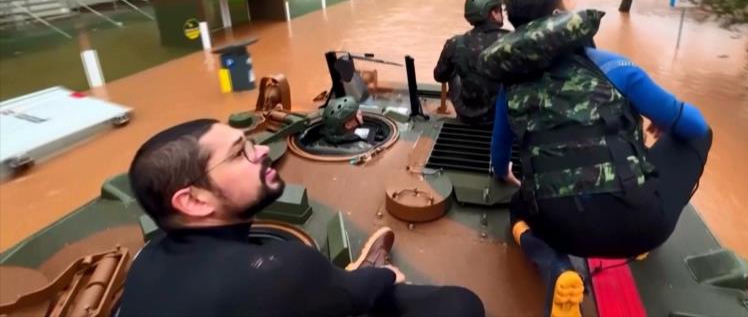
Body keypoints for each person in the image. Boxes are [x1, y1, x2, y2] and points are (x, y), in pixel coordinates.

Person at [480, 0, 712, 317]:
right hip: (640, 227)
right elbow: (695, 125)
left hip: (560, 231)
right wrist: (667, 120)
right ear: (560, 18)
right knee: (698, 134)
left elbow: (499, 160)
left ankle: (558, 268)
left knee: (517, 208)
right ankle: (640, 238)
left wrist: (505, 173)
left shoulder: (510, 86)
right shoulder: (616, 67)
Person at [119, 119, 485, 317]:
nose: (262, 150)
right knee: (460, 306)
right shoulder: (278, 270)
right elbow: (356, 295)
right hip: (319, 293)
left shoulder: (144, 262)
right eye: (240, 153)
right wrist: (386, 274)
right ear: (194, 201)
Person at [434, 0, 510, 126]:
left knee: (453, 71)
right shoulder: (511, 40)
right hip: (499, 115)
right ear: (492, 14)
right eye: (498, 9)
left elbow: (439, 76)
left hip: (466, 115)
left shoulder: (456, 43)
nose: (501, 14)